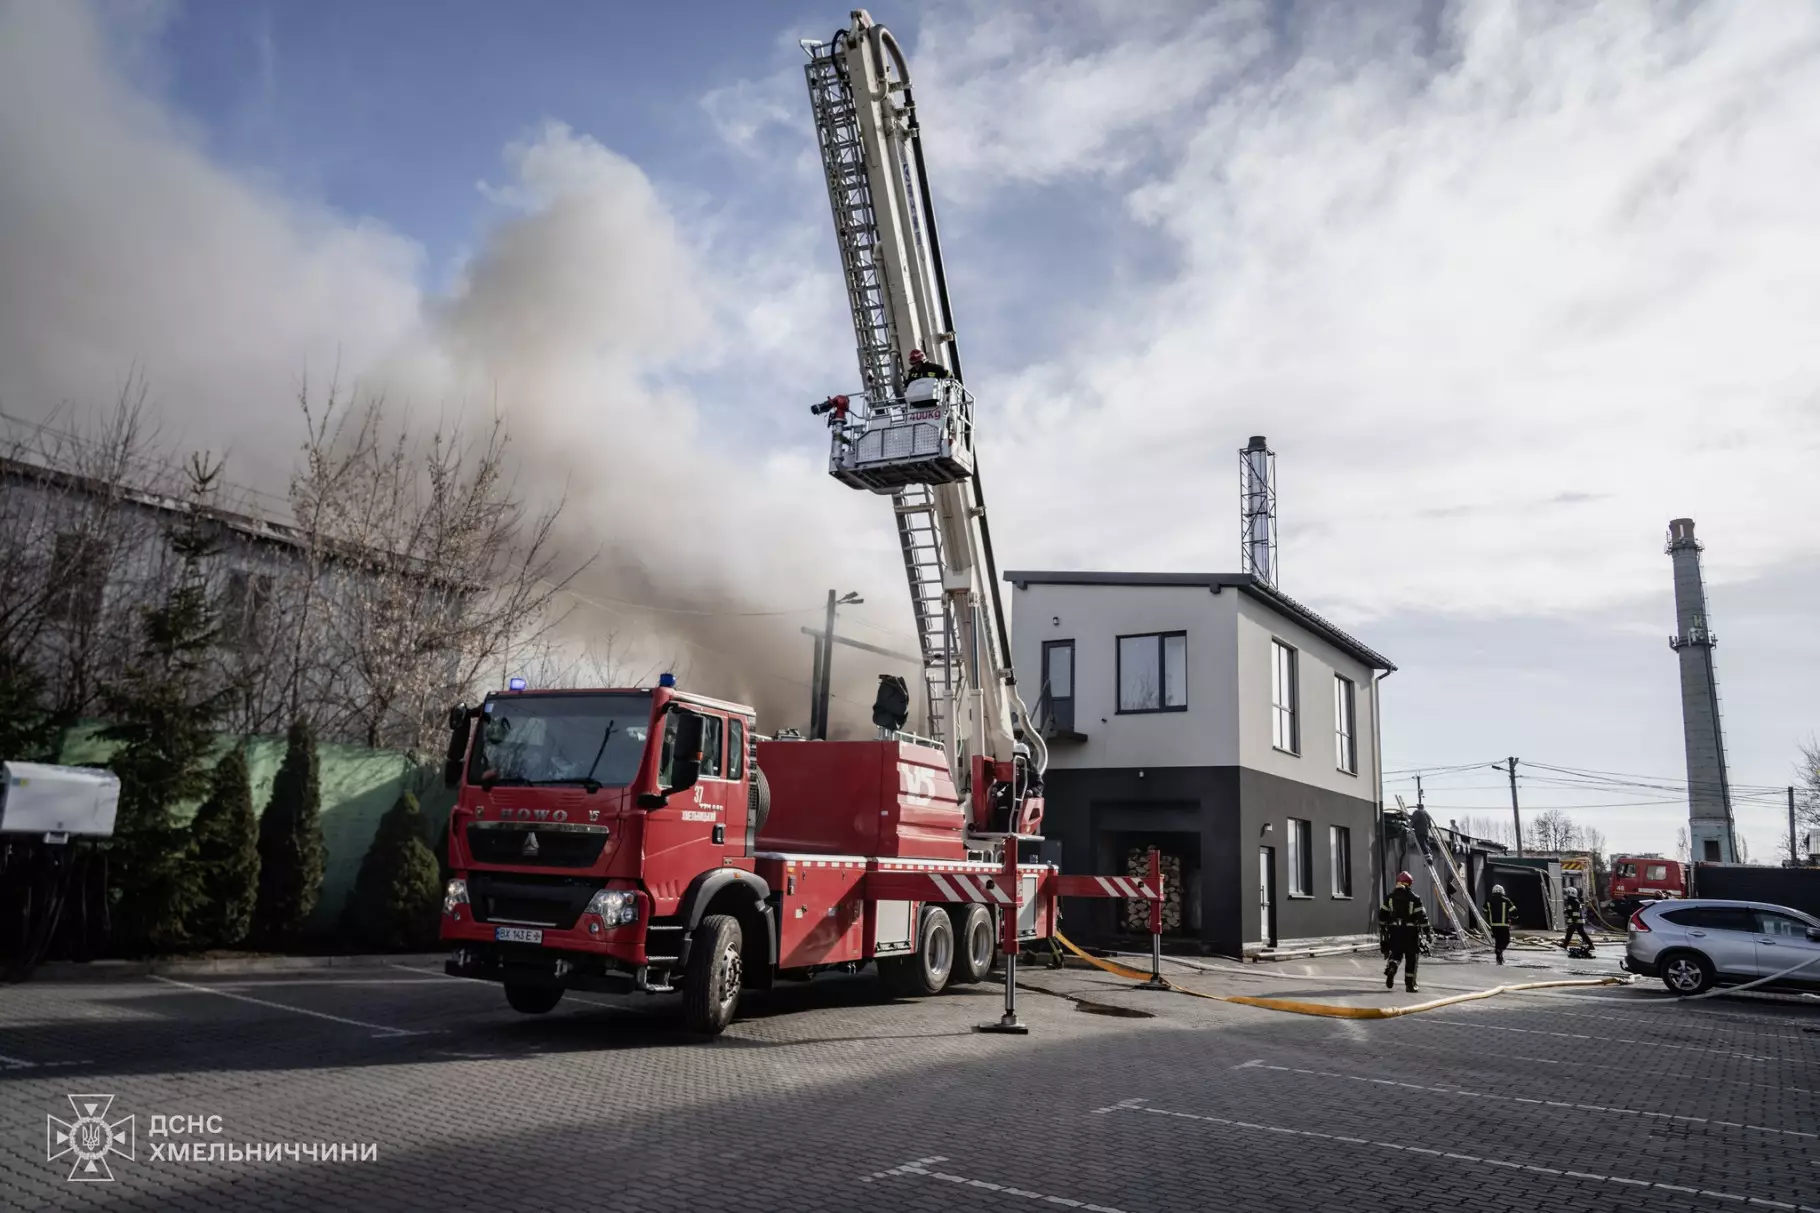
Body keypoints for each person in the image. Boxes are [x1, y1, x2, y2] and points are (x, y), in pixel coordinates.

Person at [1379, 871, 1430, 993]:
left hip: (1395, 931)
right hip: (1410, 933)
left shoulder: (1390, 897)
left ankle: (1392, 966)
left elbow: (1382, 915)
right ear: (1409, 884)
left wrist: (1383, 928)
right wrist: (1427, 931)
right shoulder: (1414, 898)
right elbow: (1421, 916)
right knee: (1411, 957)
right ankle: (1410, 985)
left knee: (1396, 953)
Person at [1484, 883, 1517, 965]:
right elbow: (1514, 910)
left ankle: (1499, 956)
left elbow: (1484, 910)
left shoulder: (1488, 901)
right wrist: (1512, 917)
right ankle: (1499, 951)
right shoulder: (1506, 900)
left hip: (1494, 925)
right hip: (1504, 925)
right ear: (1502, 892)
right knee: (1506, 940)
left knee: (1498, 941)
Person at [1561, 887, 1594, 954]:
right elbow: (1571, 909)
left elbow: (1576, 912)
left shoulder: (1574, 902)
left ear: (1571, 893)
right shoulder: (1572, 901)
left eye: (1567, 893)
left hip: (1576, 921)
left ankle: (1565, 945)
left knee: (1569, 932)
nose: (1566, 895)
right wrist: (1567, 911)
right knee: (1582, 933)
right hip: (1577, 921)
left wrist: (1573, 921)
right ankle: (1591, 945)